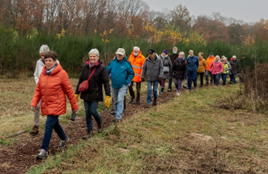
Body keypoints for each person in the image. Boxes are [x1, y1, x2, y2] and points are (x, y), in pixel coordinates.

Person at [30, 51, 78, 160]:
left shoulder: (62, 74)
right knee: (54, 123)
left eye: (50, 60)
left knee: (48, 125)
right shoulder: (43, 74)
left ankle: (44, 150)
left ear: (55, 61)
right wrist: (33, 103)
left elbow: (69, 91)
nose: (47, 62)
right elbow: (38, 90)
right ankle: (64, 138)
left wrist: (74, 106)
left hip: (57, 104)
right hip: (47, 104)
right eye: (46, 60)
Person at [75, 49, 110, 139]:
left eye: (94, 56)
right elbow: (80, 80)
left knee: (92, 111)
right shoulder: (85, 67)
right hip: (86, 93)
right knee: (87, 112)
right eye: (91, 56)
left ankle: (99, 122)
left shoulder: (102, 68)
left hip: (96, 93)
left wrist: (107, 95)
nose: (92, 58)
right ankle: (89, 131)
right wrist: (76, 93)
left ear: (98, 57)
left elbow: (106, 82)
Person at [107, 48, 134, 122]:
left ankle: (119, 117)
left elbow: (131, 73)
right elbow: (107, 71)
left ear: (124, 55)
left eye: (120, 54)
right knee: (115, 100)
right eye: (118, 54)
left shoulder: (127, 63)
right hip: (114, 84)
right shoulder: (112, 62)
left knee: (120, 99)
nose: (118, 55)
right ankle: (116, 113)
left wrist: (127, 82)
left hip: (123, 85)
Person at [30, 44, 50, 136]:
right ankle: (36, 125)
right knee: (37, 106)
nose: (43, 57)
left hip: (50, 89)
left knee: (49, 108)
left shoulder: (55, 61)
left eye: (44, 54)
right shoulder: (38, 62)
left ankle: (49, 125)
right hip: (40, 88)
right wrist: (39, 83)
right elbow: (36, 74)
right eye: (41, 55)